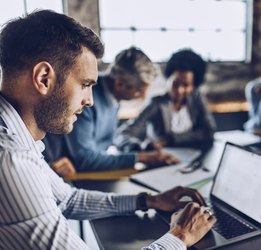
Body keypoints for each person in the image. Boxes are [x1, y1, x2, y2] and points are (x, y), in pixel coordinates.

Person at [0, 10, 215, 249]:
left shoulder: (19, 141)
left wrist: (149, 200)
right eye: (85, 85)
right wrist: (180, 237)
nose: (90, 100)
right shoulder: (12, 160)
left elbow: (69, 200)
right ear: (43, 79)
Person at [43, 47, 179, 175]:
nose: (143, 96)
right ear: (120, 84)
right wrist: (142, 158)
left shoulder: (114, 98)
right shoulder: (87, 101)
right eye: (139, 91)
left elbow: (111, 139)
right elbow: (86, 160)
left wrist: (138, 148)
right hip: (63, 172)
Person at [115, 48, 216, 151]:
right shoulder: (155, 104)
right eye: (175, 83)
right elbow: (123, 134)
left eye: (185, 85)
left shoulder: (197, 99)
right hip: (162, 160)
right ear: (168, 79)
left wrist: (170, 139)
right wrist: (140, 147)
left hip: (195, 157)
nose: (180, 90)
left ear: (193, 86)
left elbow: (208, 133)